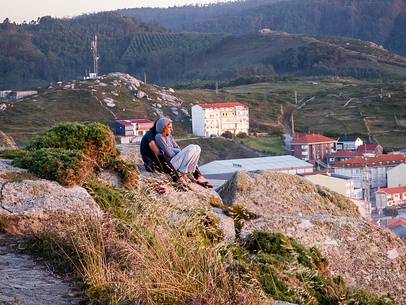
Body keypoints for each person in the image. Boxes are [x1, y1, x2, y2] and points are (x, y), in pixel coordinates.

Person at [155, 117, 213, 188]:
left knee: (197, 148)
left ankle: (189, 171)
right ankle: (182, 171)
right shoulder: (159, 137)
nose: (172, 129)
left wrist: (171, 149)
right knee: (191, 147)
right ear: (163, 128)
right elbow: (170, 154)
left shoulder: (169, 136)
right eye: (169, 127)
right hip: (172, 163)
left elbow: (178, 149)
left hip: (176, 159)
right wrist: (175, 150)